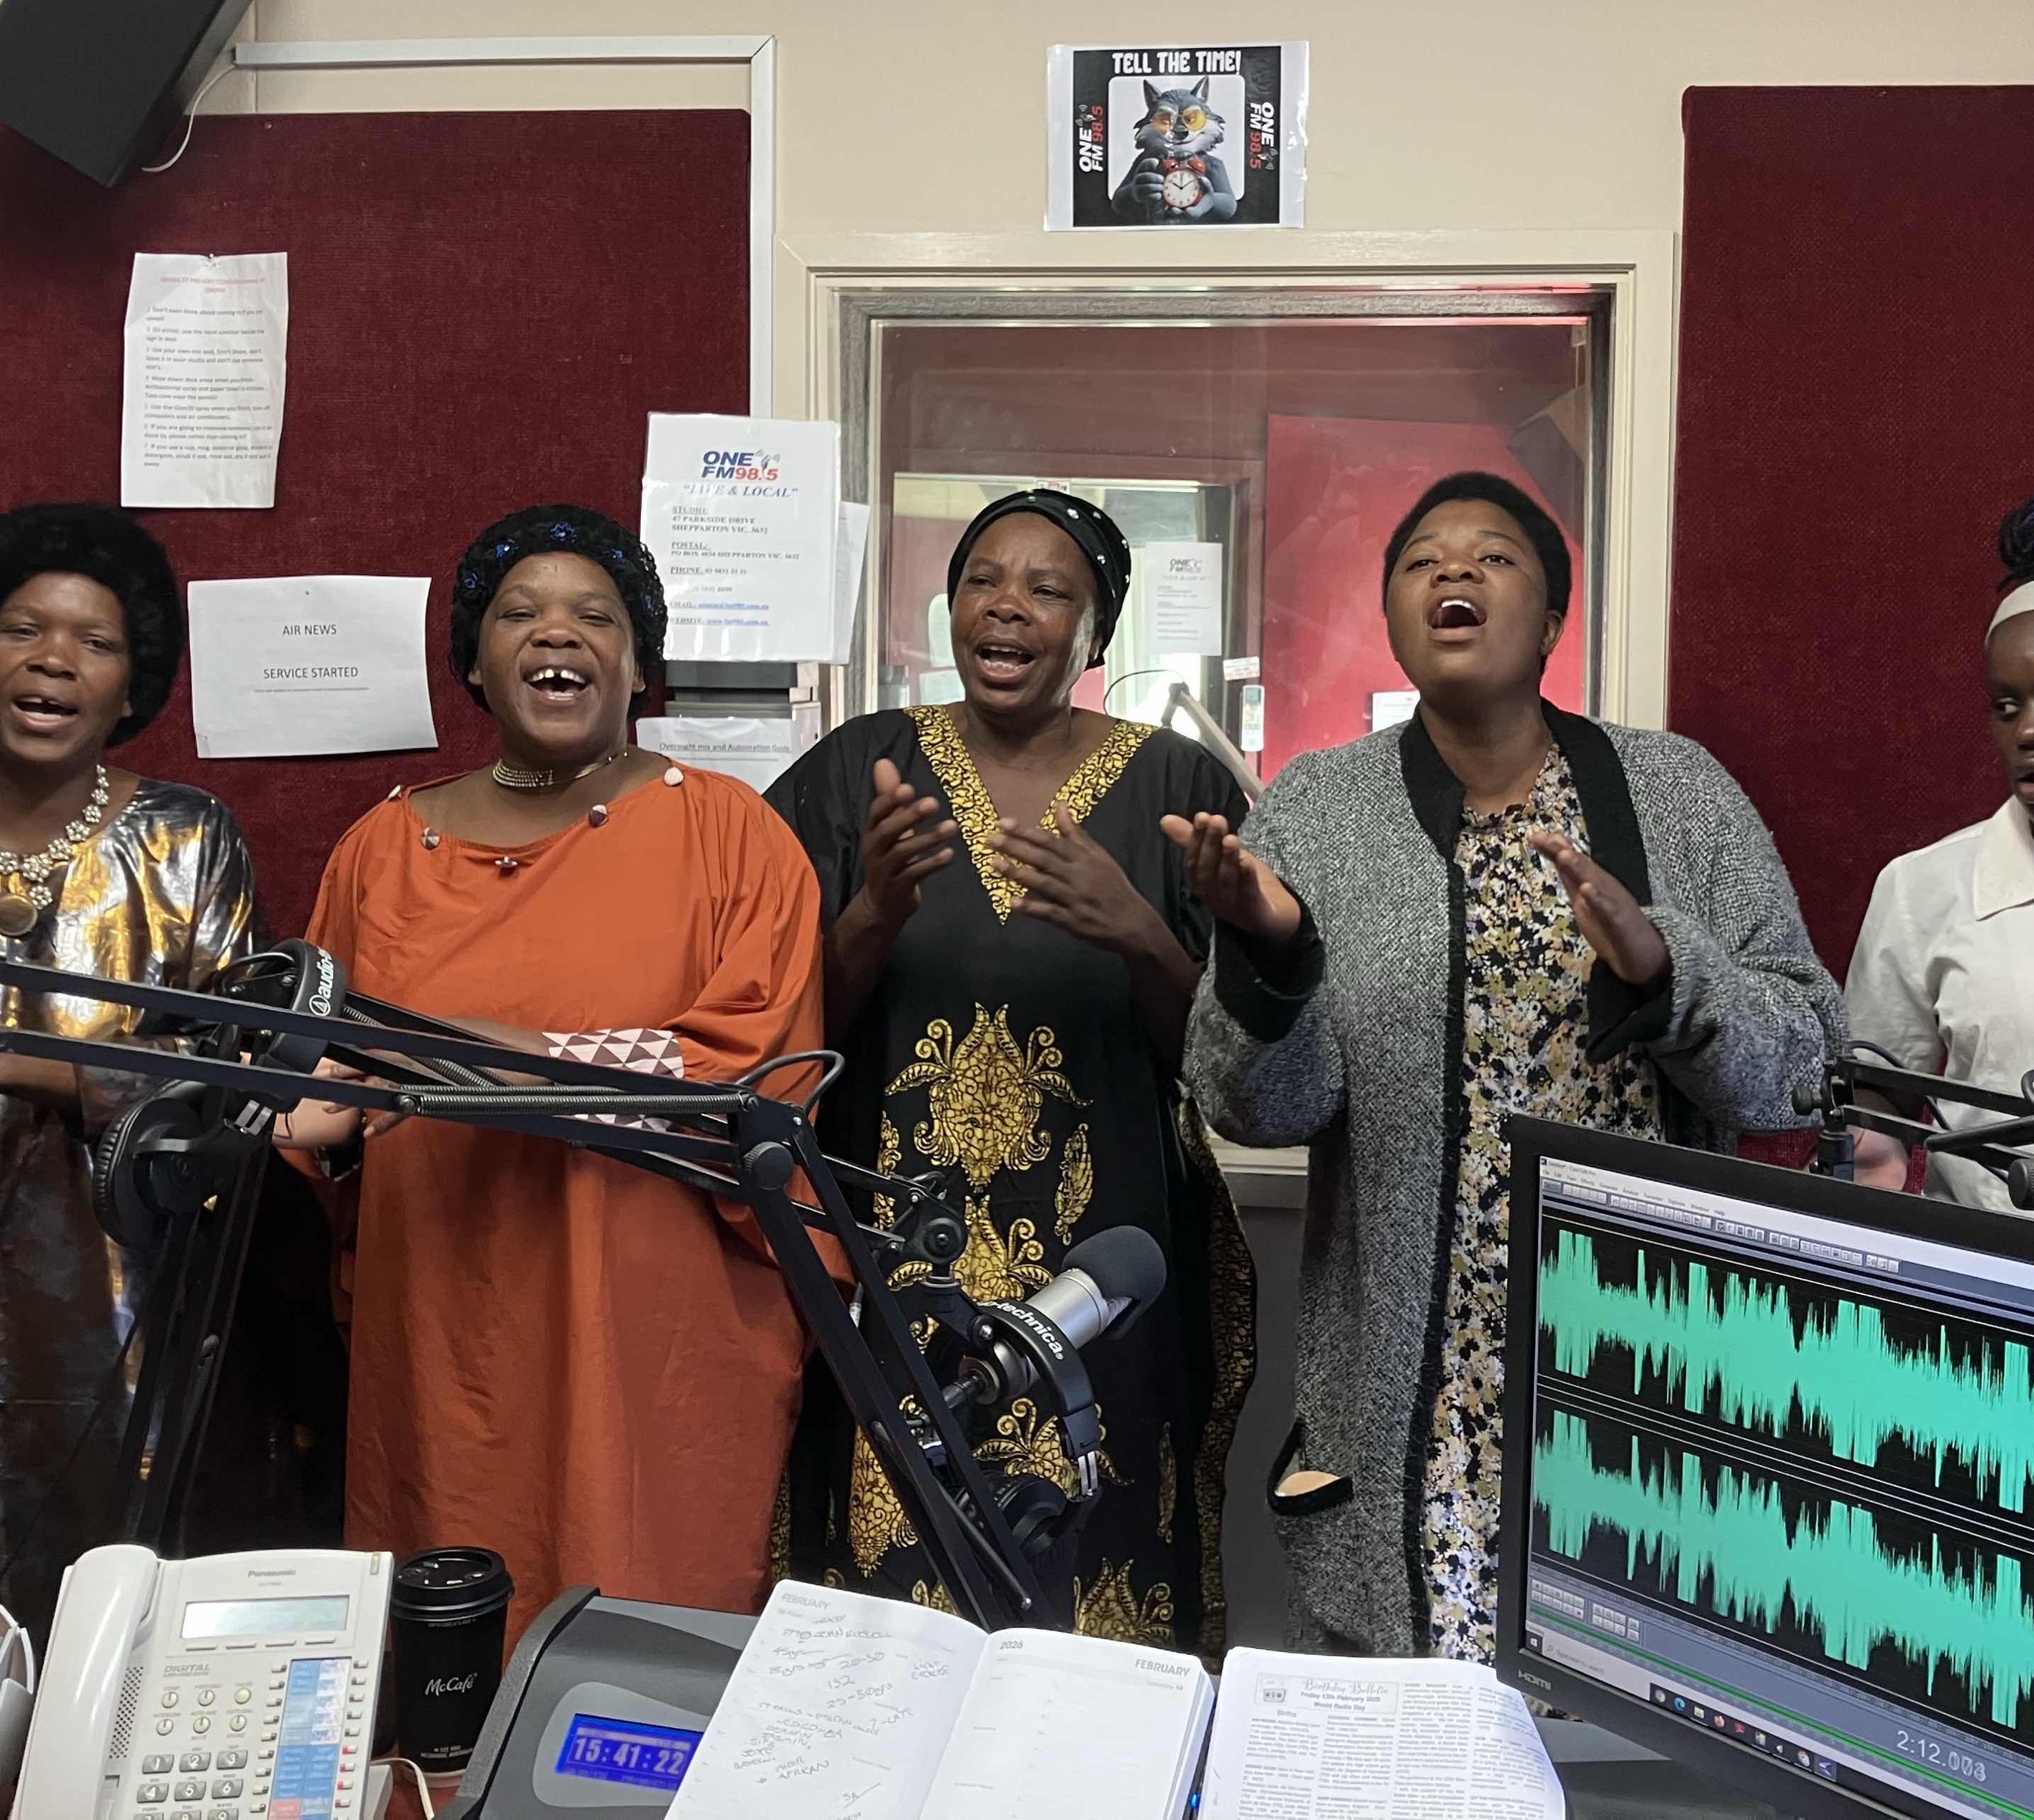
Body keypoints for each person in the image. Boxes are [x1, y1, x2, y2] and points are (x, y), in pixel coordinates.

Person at [1179, 470, 1842, 1659]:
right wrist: (1270, 960)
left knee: (1620, 1741)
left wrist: (1664, 972)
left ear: (1551, 620)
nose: (1453, 574)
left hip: (1638, 1383)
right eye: (1423, 558)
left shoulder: (1679, 794)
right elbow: (1262, 1107)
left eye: (1494, 556)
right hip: (1408, 1415)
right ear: (1391, 615)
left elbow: (1800, 1067)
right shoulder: (1317, 808)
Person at [281, 504, 823, 1641]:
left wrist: (494, 1054)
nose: (556, 634)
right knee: (451, 1628)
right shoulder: (381, 848)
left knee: (638, 1647)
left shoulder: (733, 835)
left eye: (595, 615)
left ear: (640, 659)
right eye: (518, 614)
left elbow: (749, 1077)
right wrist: (306, 1117)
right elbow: (323, 1072)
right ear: (474, 659)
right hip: (444, 1312)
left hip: (646, 1321)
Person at [768, 489, 1255, 1655]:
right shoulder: (856, 771)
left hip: (1107, 1277)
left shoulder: (1182, 789)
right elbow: (784, 1042)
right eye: (985, 579)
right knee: (898, 1579)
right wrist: (875, 913)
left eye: (1050, 591)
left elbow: (1239, 1064)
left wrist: (1139, 930)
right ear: (948, 609)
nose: (1010, 607)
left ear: (1098, 636)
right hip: (900, 1271)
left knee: (1099, 1561)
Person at [0, 503, 266, 1627]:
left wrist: (32, 1071)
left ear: (131, 681)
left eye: (94, 643)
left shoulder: (186, 838)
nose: (53, 659)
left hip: (118, 1302)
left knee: (100, 1622)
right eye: (21, 628)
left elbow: (229, 1083)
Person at [1847, 486, 2034, 1209]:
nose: (2031, 731)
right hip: (1988, 1297)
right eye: (2007, 705)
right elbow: (1874, 1104)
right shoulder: (1924, 890)